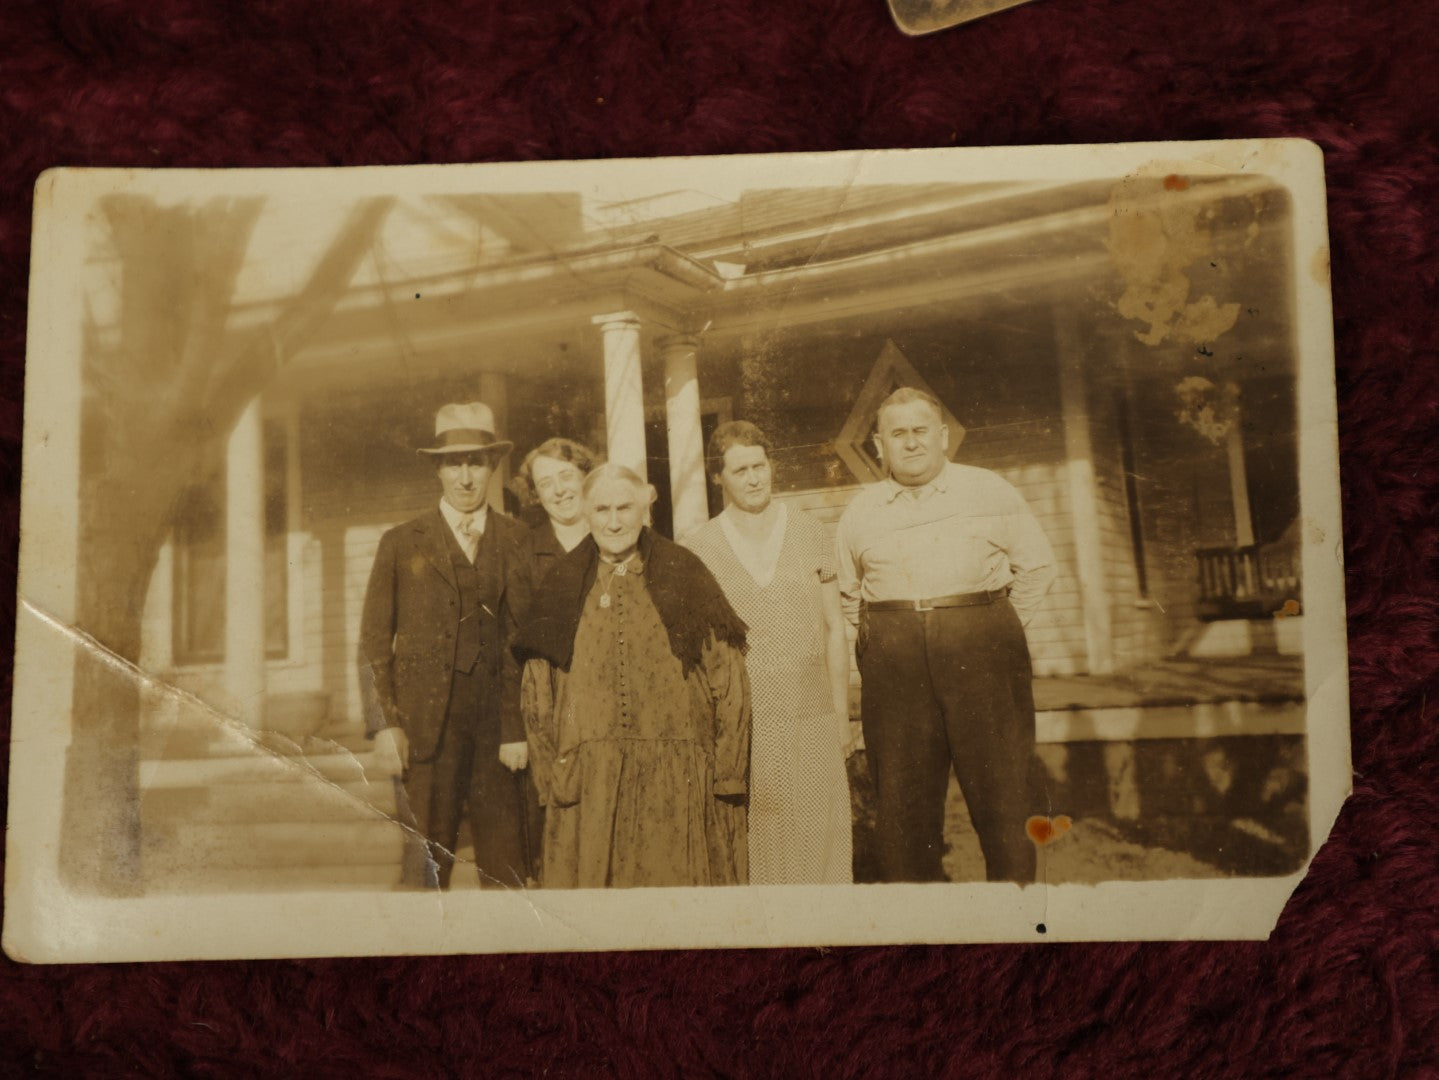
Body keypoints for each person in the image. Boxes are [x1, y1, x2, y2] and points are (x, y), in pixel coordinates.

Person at [836, 386, 1057, 884]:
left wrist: (990, 631)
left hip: (981, 647)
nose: (911, 443)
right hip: (895, 661)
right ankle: (923, 932)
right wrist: (888, 642)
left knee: (1002, 793)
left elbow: (1038, 569)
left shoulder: (989, 490)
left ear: (942, 437)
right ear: (879, 445)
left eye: (920, 432)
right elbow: (849, 596)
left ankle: (1017, 921)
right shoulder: (861, 510)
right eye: (898, 434)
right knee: (903, 803)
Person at [512, 463, 751, 888]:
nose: (615, 520)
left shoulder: (685, 571)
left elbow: (727, 675)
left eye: (625, 507)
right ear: (586, 512)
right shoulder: (562, 582)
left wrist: (728, 773)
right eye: (602, 509)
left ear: (647, 506)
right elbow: (538, 690)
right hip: (591, 789)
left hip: (676, 785)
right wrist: (551, 776)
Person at [358, 401, 535, 889]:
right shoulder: (400, 542)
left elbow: (525, 640)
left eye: (475, 462)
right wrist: (384, 723)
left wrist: (517, 727)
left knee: (507, 866)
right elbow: (373, 639)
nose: (465, 476)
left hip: (500, 731)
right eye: (454, 463)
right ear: (437, 468)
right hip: (424, 729)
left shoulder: (519, 539)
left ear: (491, 466)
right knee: (424, 866)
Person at [684, 421, 855, 885]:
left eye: (760, 465)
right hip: (746, 720)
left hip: (812, 712)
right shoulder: (700, 547)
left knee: (820, 836)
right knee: (761, 838)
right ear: (718, 478)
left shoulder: (810, 531)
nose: (754, 478)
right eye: (740, 470)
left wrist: (841, 717)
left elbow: (835, 629)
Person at [514, 437, 600, 586]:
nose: (559, 490)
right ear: (536, 495)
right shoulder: (523, 554)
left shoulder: (612, 535)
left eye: (566, 476)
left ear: (585, 477)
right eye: (545, 484)